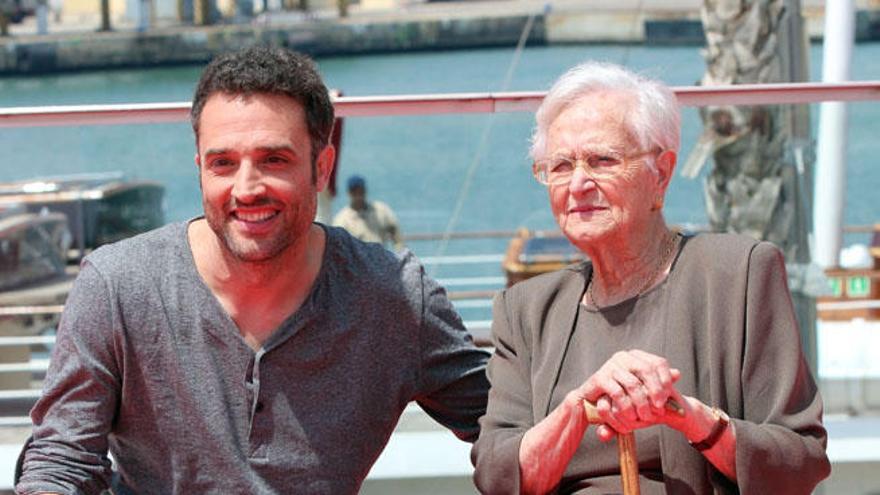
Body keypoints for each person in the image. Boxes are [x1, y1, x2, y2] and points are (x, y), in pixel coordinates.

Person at [16, 46, 490, 494]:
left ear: (321, 169)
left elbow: (502, 426)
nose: (246, 188)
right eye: (223, 163)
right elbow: (62, 456)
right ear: (200, 167)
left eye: (274, 160)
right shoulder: (117, 286)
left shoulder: (395, 295)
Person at [471, 61, 830, 494]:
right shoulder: (526, 310)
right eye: (561, 166)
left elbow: (800, 462)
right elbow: (496, 474)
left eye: (602, 160)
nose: (578, 183)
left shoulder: (738, 274)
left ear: (660, 173)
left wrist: (689, 418)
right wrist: (577, 409)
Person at [333, 174, 403, 250]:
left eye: (360, 190)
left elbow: (394, 230)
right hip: (358, 260)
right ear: (349, 193)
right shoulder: (341, 220)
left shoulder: (381, 210)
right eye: (354, 191)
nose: (358, 194)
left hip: (382, 257)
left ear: (365, 190)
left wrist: (400, 250)